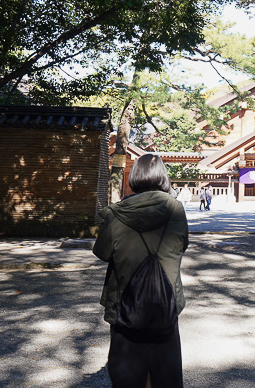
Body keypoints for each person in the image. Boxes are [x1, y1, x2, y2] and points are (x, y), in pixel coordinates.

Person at [93, 153, 188, 388]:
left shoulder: (116, 213)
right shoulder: (176, 210)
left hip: (124, 303)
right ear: (163, 177)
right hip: (165, 301)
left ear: (134, 176)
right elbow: (182, 245)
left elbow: (102, 252)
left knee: (128, 375)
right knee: (165, 374)